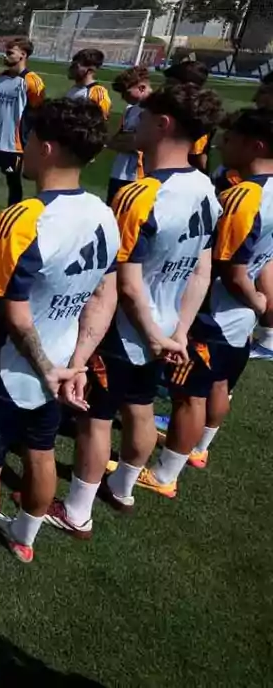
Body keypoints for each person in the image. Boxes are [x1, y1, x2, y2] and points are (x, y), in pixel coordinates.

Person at [0, 100, 119, 592]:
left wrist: (43, 366)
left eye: (29, 137)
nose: (23, 148)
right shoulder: (103, 212)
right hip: (61, 363)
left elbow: (10, 311)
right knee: (39, 450)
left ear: (46, 146)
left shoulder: (27, 216)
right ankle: (25, 536)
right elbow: (105, 295)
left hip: (10, 367)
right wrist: (73, 365)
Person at [46, 83, 224, 538]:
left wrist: (149, 334)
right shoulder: (207, 187)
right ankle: (122, 488)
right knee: (141, 407)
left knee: (95, 420)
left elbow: (124, 282)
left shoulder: (139, 195)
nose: (135, 125)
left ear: (163, 124)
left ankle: (77, 510)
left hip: (126, 331)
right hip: (166, 327)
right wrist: (177, 333)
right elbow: (201, 270)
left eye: (142, 118)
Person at [154, 108, 273, 484]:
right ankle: (200, 449)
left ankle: (164, 474)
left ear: (254, 145)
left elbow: (230, 270)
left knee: (190, 396)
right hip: (239, 321)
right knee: (221, 384)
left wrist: (254, 299)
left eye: (232, 138)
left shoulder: (244, 196)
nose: (222, 144)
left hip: (216, 314)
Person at [0, 37, 45, 215]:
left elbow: (38, 113)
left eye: (9, 52)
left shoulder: (32, 81)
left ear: (23, 55)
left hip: (14, 145)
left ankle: (12, 216)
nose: (4, 56)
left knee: (13, 182)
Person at [105, 66, 151, 204]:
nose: (123, 97)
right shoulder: (130, 109)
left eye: (126, 92)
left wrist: (129, 141)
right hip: (119, 172)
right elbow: (115, 140)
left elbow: (141, 142)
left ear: (141, 88)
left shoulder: (154, 111)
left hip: (138, 175)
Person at [164, 59, 213, 172]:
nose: (165, 87)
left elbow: (198, 158)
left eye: (170, 83)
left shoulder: (195, 116)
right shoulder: (177, 109)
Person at [65, 48, 111, 118]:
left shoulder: (97, 92)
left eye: (75, 66)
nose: (71, 69)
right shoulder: (74, 89)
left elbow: (100, 121)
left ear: (90, 69)